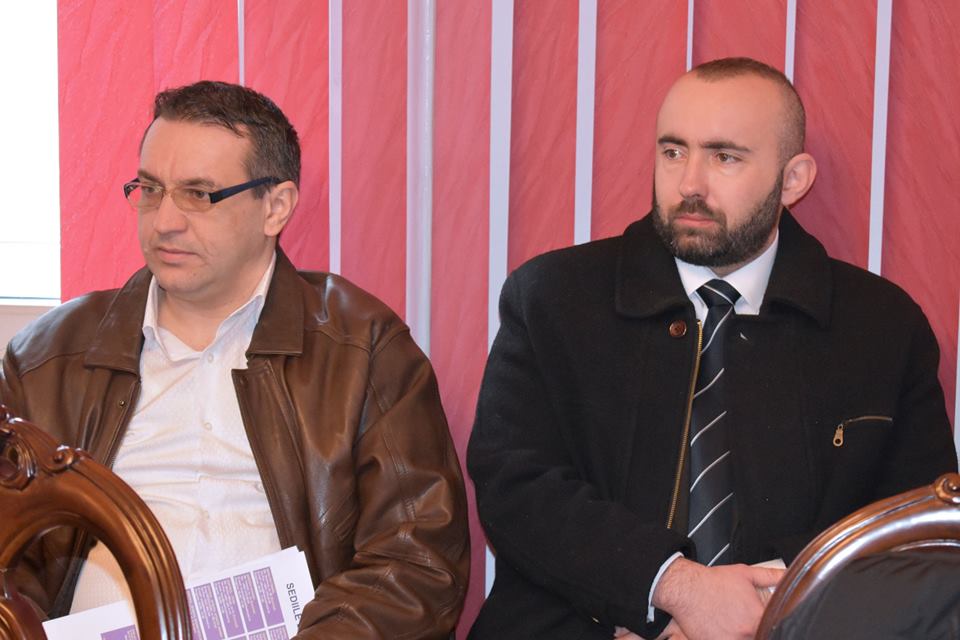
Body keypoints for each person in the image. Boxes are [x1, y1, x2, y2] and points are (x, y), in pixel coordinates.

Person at [467, 57, 957, 640]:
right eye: (673, 152)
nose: (689, 184)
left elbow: (917, 524)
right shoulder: (553, 298)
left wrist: (766, 602)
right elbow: (514, 484)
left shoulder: (881, 326)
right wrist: (671, 588)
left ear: (793, 180)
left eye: (724, 157)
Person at [0, 80, 469, 638]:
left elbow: (418, 562)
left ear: (275, 207)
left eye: (199, 194)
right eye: (150, 189)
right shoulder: (49, 357)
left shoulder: (362, 349)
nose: (164, 220)